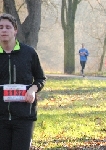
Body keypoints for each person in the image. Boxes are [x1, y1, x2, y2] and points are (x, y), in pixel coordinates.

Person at [0, 13, 46, 150]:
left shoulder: (29, 52)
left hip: (24, 117)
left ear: (15, 30)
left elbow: (41, 78)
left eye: (8, 27)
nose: (4, 30)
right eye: (0, 27)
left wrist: (33, 89)